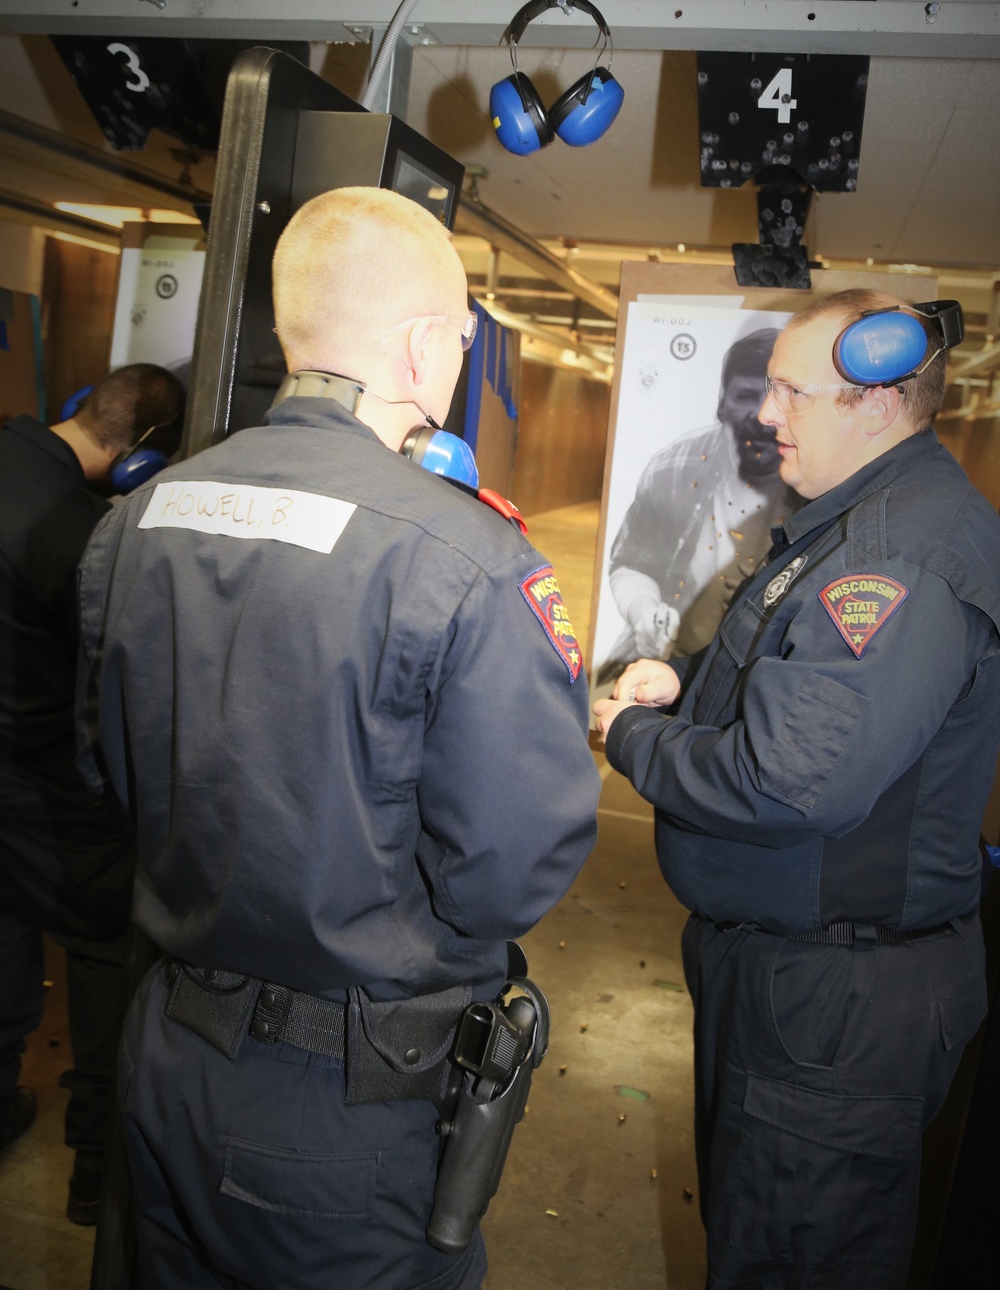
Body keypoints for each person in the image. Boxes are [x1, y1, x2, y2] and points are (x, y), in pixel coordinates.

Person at [77, 186, 600, 1290]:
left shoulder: (141, 518)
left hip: (166, 1052)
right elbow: (506, 878)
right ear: (421, 348)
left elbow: (108, 769)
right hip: (343, 1109)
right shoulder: (464, 559)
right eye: (458, 342)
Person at [595, 288, 1000, 1289]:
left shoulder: (893, 553)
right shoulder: (855, 521)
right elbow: (798, 693)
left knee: (792, 1265)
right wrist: (685, 694)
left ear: (877, 400)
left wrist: (636, 738)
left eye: (790, 392)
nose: (766, 414)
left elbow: (790, 781)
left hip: (833, 1012)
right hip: (800, 985)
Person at [0, 363, 184, 1223]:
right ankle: (94, 1167)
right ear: (142, 453)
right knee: (105, 945)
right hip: (39, 785)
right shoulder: (82, 537)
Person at [599, 326, 798, 681]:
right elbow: (630, 563)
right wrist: (644, 611)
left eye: (779, 396)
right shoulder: (674, 466)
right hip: (669, 668)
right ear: (722, 402)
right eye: (746, 395)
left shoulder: (819, 484)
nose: (762, 414)